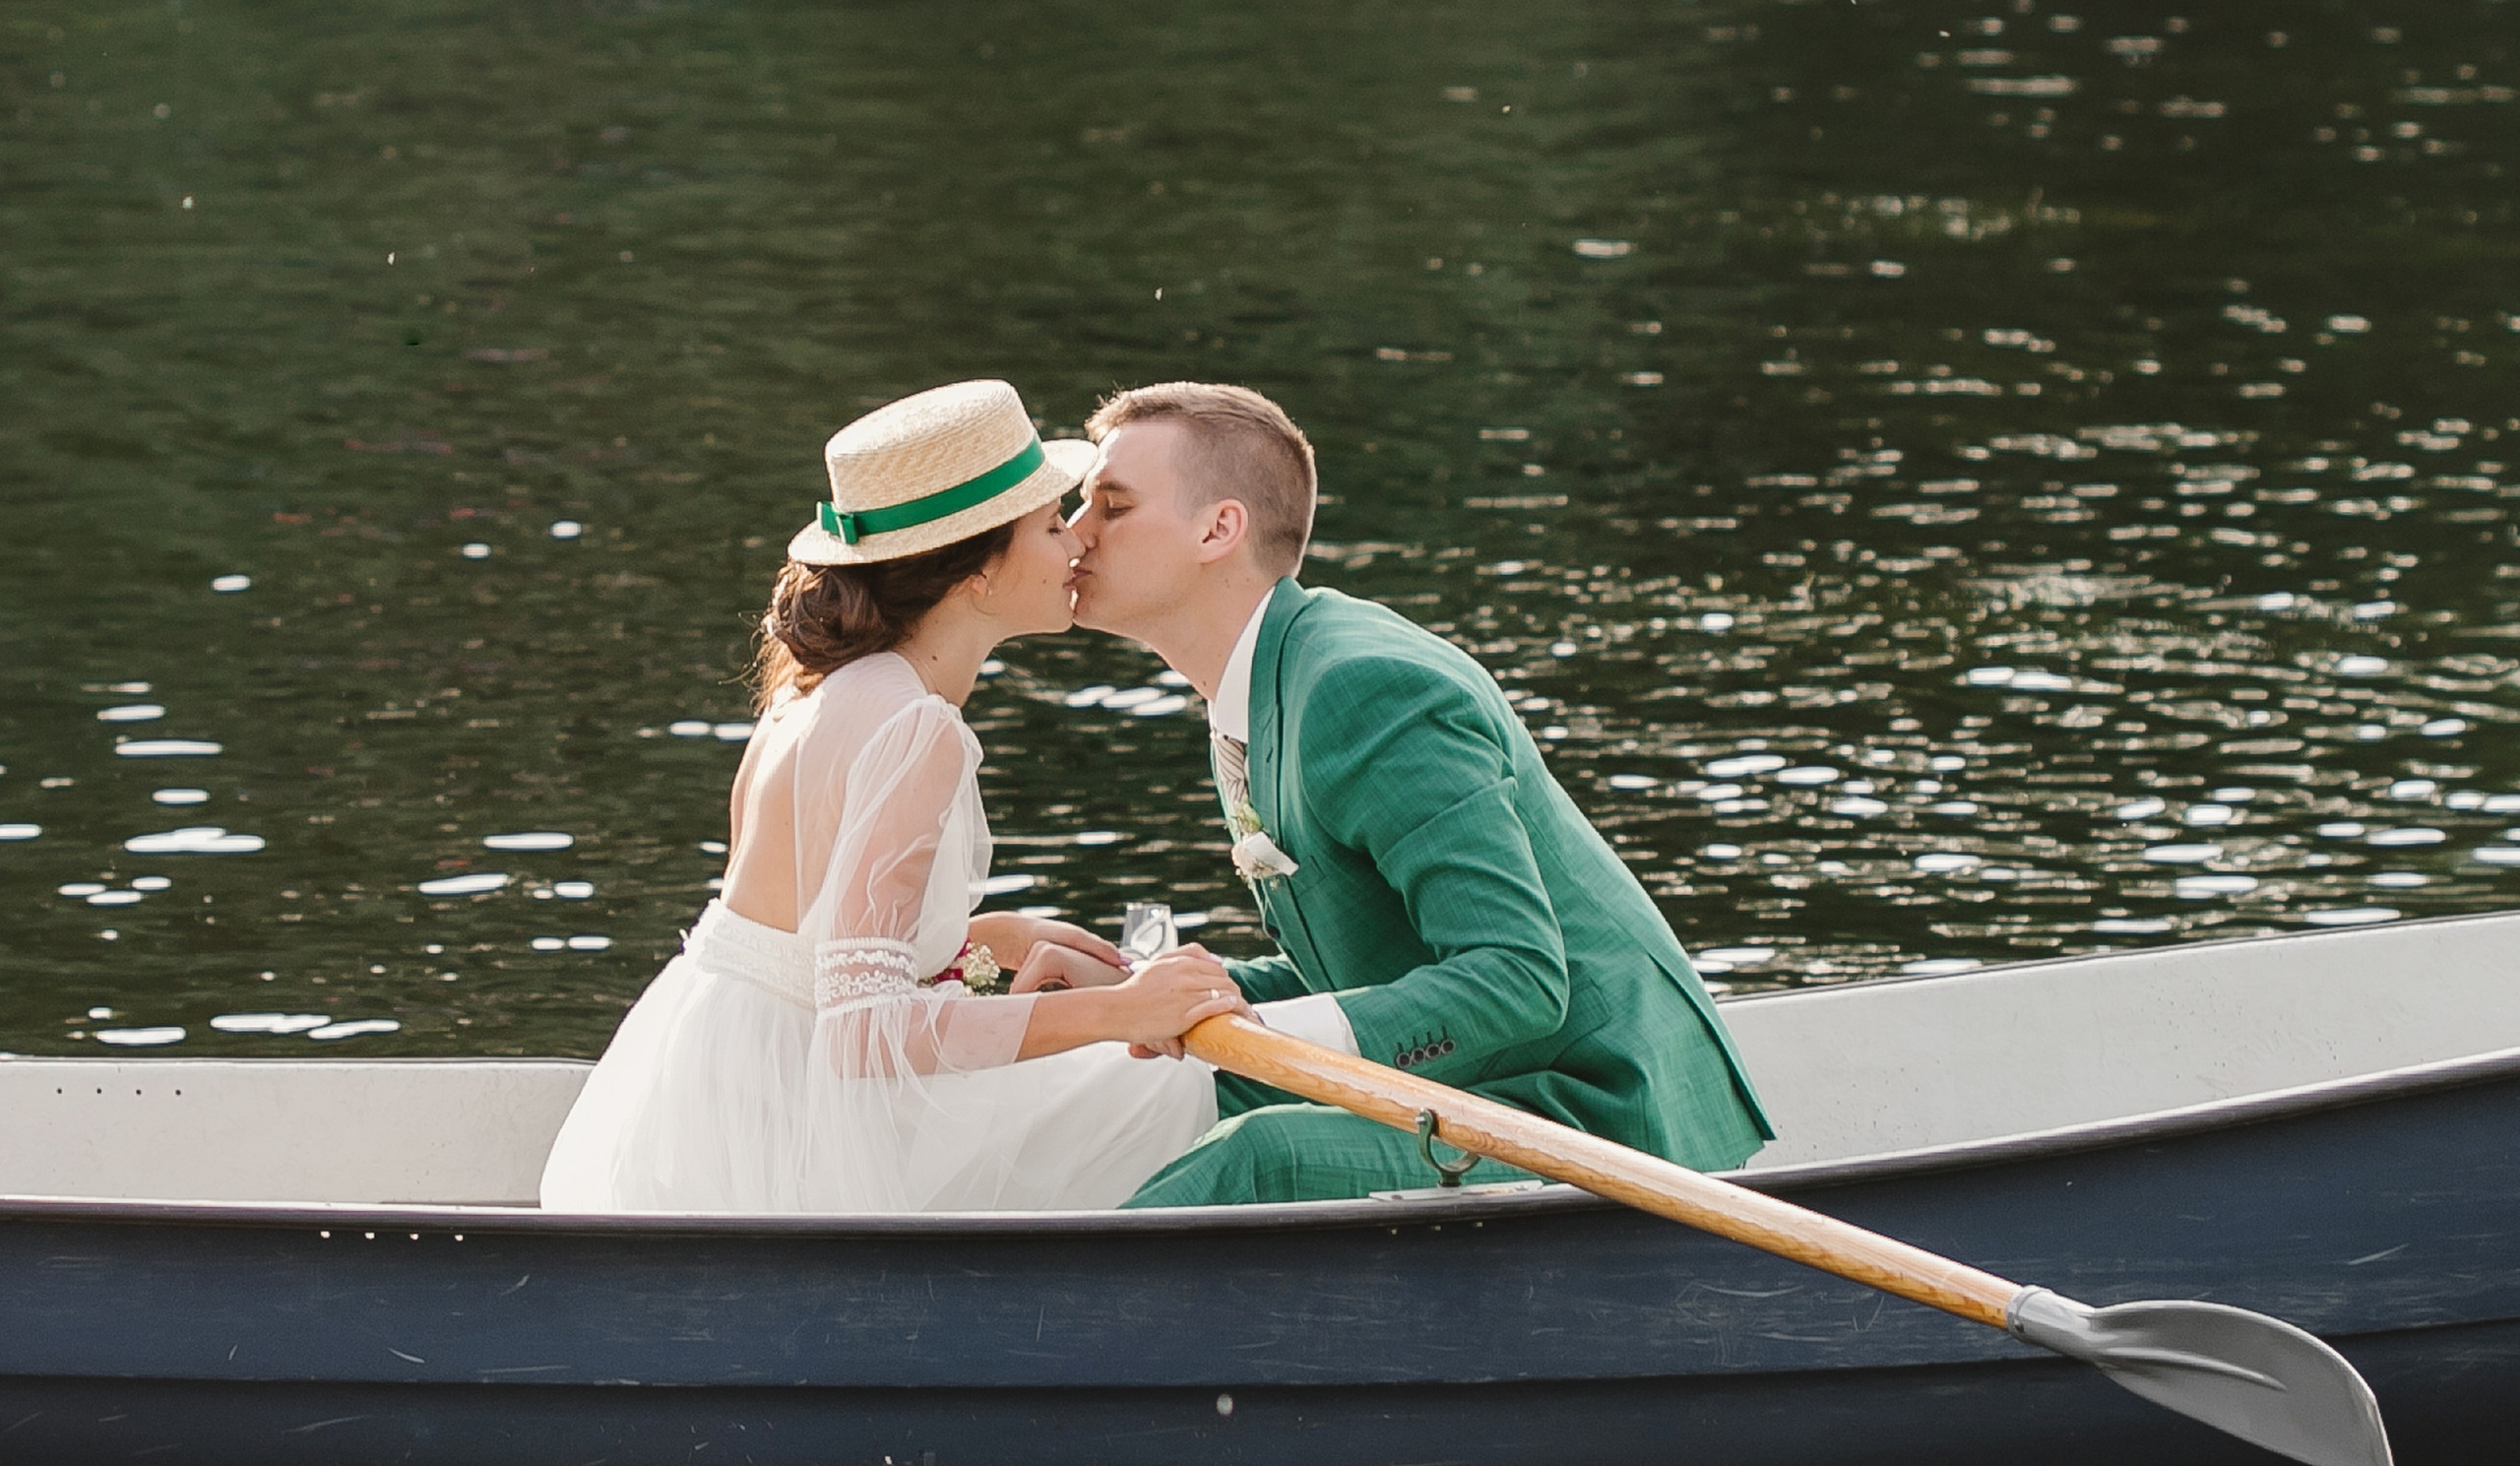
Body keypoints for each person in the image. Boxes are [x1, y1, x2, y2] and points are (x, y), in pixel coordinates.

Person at [1064, 380, 1773, 1207]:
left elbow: (1516, 978)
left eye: (1110, 506)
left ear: (1218, 529)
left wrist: (1259, 1037)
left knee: (1259, 1153)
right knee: (1122, 1083)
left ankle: (1019, 1327)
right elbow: (1374, 964)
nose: (1075, 534)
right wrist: (1139, 993)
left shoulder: (1365, 687)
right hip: (1485, 1078)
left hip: (1595, 1112)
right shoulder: (1261, 684)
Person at [537, 379, 1216, 1216]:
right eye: (1048, 524)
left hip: (721, 1076)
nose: (1076, 540)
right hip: (797, 1115)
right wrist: (1121, 1012)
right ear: (975, 570)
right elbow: (865, 1032)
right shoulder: (915, 730)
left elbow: (809, 943)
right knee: (1152, 1089)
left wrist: (991, 937)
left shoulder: (817, 692)